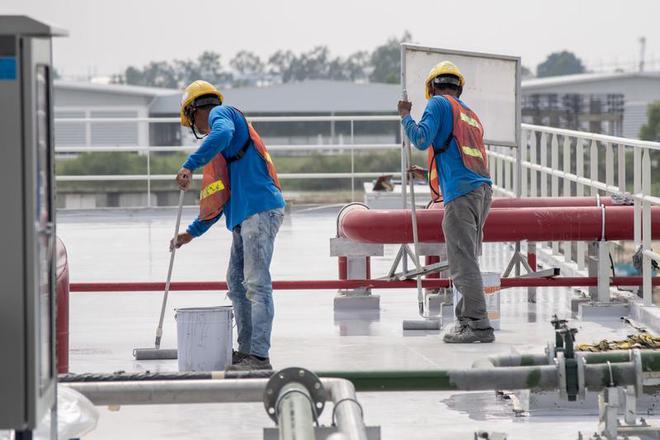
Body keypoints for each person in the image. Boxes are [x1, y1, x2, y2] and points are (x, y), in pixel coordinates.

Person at [172, 80, 286, 369]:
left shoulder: (221, 114)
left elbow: (221, 133)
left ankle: (259, 356)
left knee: (257, 284)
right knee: (237, 284)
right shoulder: (222, 144)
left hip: (260, 211)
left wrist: (189, 164)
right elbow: (216, 199)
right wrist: (190, 233)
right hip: (244, 217)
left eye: (191, 121)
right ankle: (247, 350)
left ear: (196, 110)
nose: (196, 127)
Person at [398, 61, 495, 343]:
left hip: (462, 195)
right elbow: (455, 153)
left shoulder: (438, 104)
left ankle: (478, 325)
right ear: (458, 86)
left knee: (463, 261)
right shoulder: (469, 113)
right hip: (481, 190)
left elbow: (420, 138)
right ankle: (468, 320)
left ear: (432, 87)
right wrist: (425, 173)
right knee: (468, 259)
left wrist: (405, 116)